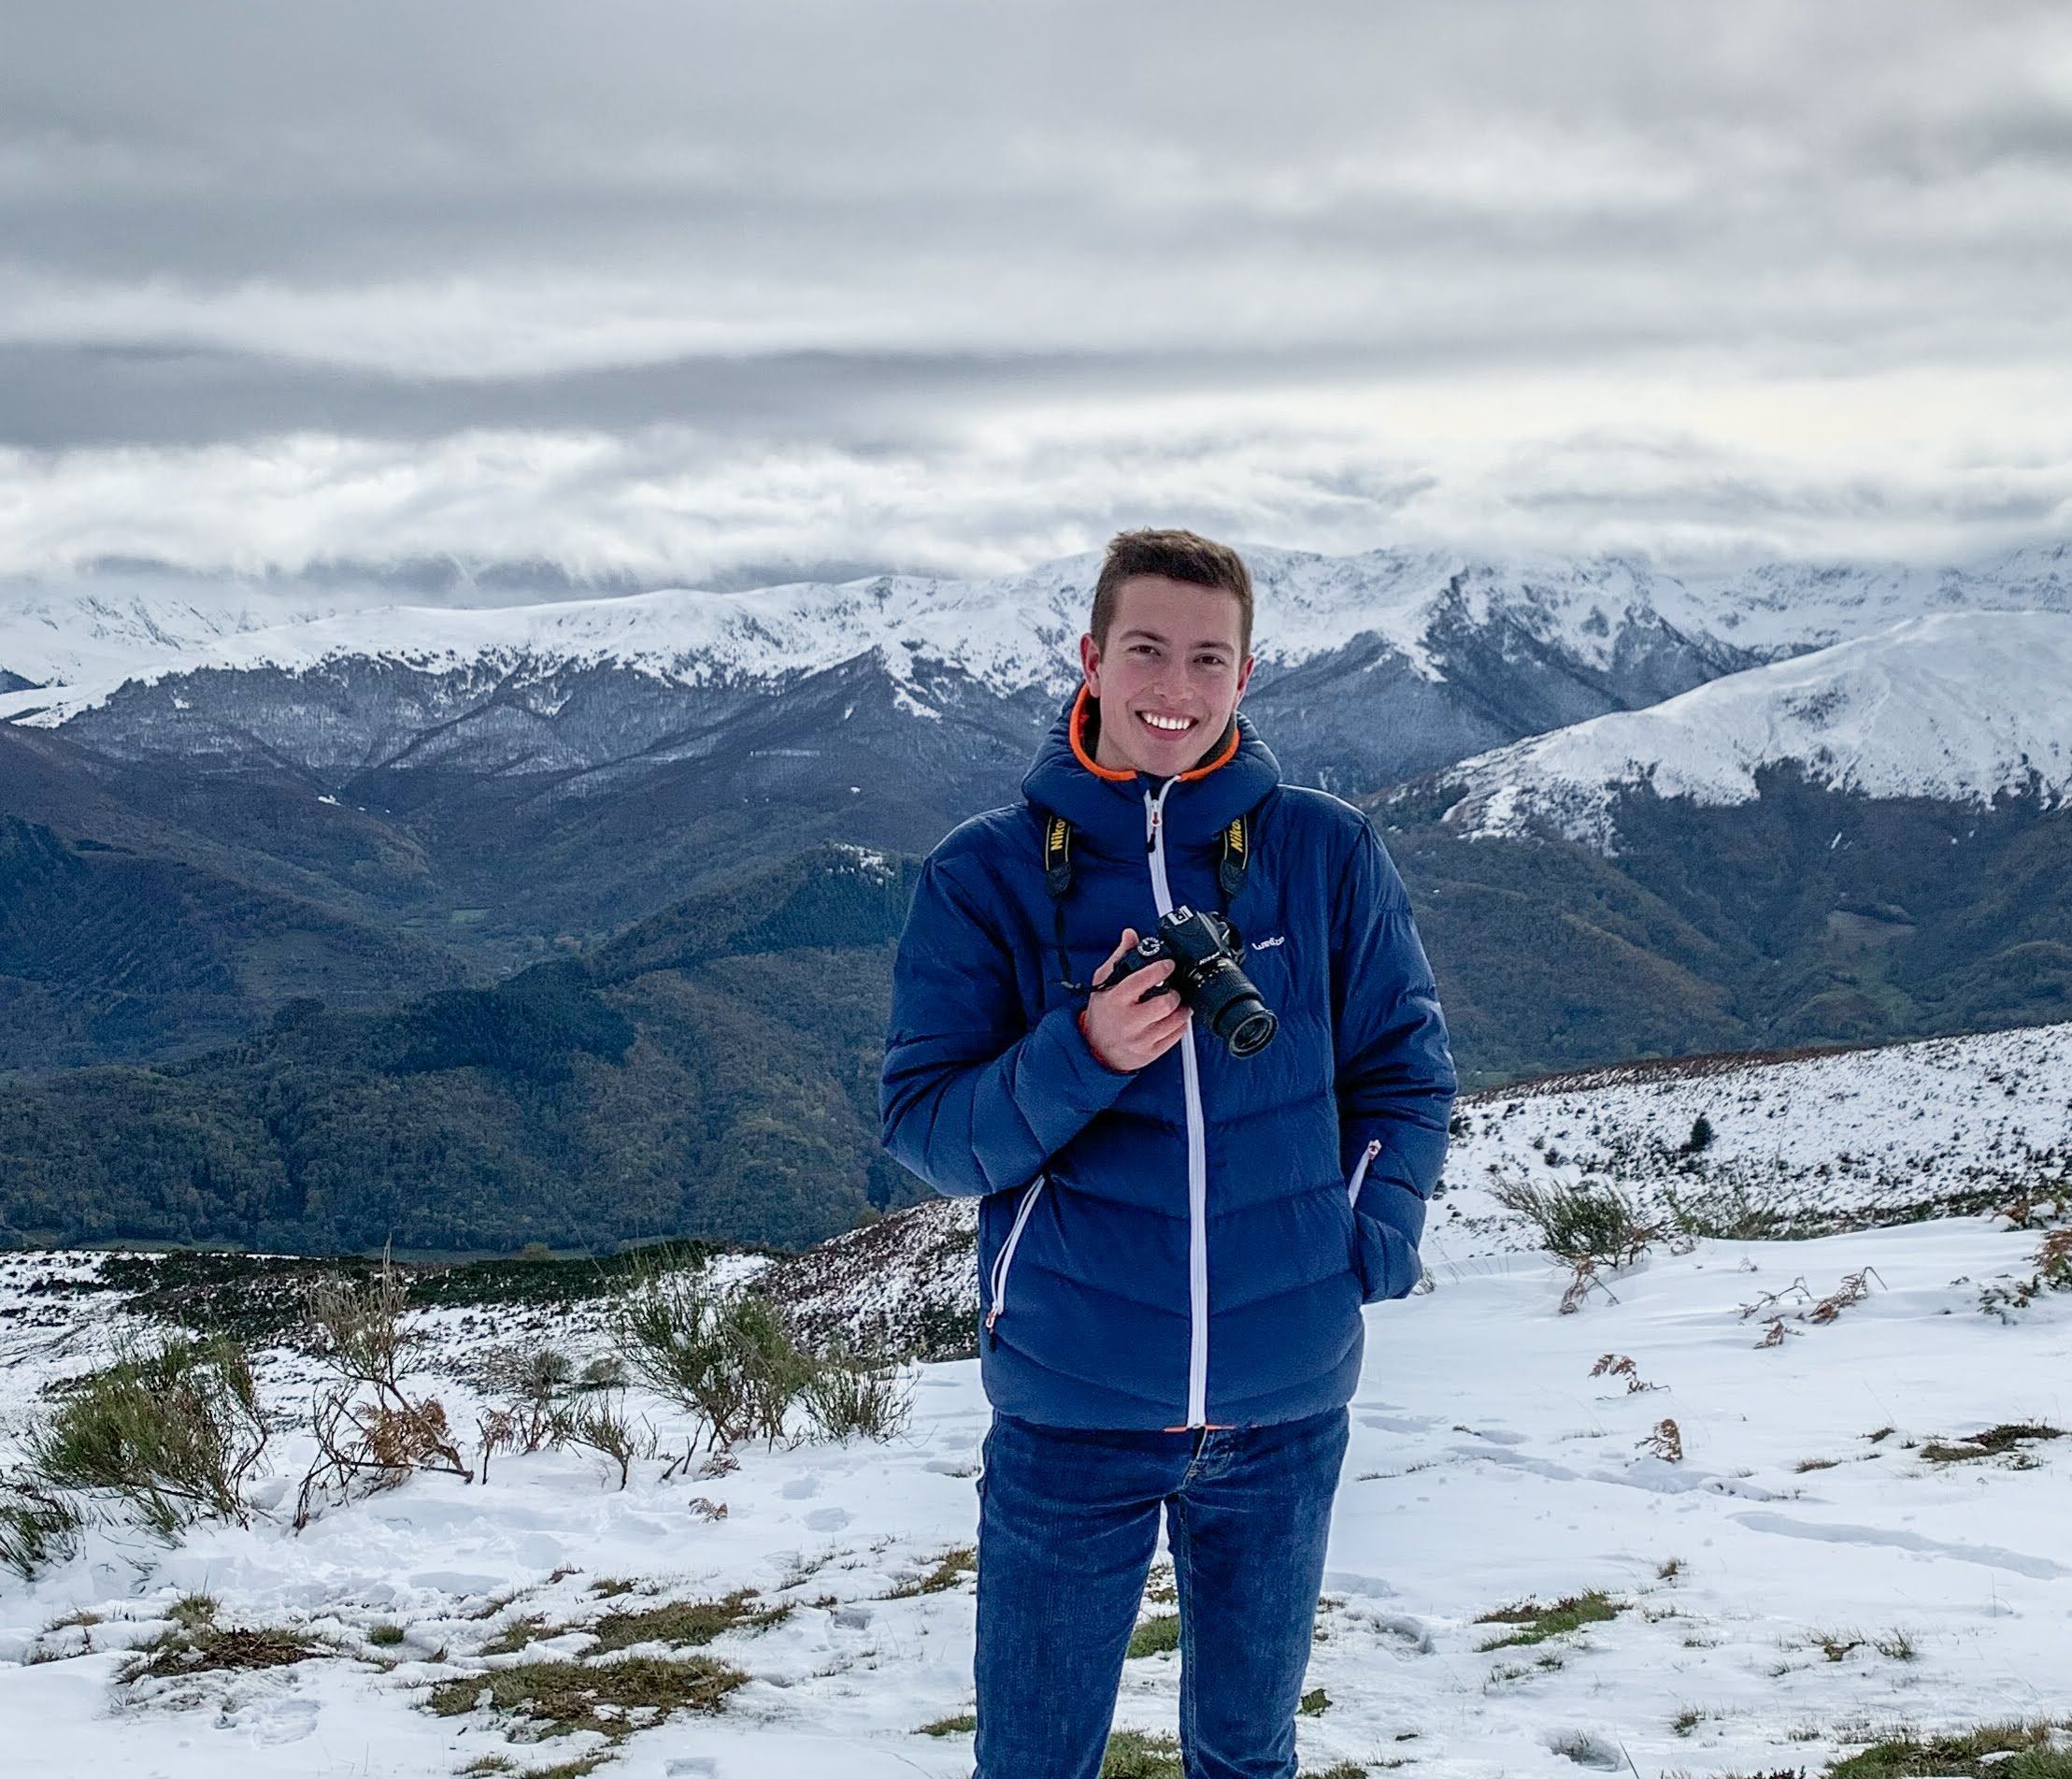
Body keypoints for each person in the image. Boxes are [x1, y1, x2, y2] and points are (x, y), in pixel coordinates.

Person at [879, 527, 1456, 1779]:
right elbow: (928, 1130)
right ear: (1090, 657)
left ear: (1245, 677)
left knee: (1247, 1757)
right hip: (1070, 1405)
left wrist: (1363, 1242)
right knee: (1034, 1762)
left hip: (1285, 1400)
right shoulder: (982, 875)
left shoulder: (1322, 852)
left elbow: (1403, 1074)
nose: (1175, 689)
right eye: (1146, 649)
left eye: (1209, 658)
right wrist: (1081, 1046)